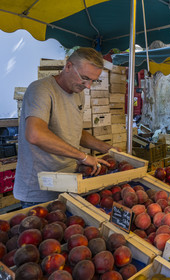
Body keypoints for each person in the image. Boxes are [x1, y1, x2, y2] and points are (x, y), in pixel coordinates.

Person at [14, 47, 118, 207]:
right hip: (39, 190)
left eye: (93, 80)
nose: (88, 86)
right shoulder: (41, 89)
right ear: (68, 66)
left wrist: (107, 148)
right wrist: (82, 156)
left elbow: (75, 131)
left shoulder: (78, 93)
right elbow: (35, 134)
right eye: (84, 78)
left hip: (69, 183)